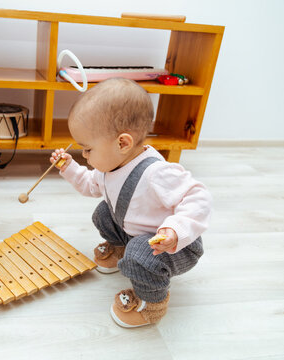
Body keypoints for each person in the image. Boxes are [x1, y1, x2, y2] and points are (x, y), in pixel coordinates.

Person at [50, 78, 212, 328]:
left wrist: (175, 230)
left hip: (171, 246)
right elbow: (90, 185)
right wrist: (69, 167)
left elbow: (198, 197)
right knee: (104, 212)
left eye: (88, 149)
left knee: (139, 254)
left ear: (122, 143)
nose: (84, 155)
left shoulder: (157, 173)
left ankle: (152, 304)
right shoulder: (110, 166)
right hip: (133, 233)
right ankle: (120, 249)